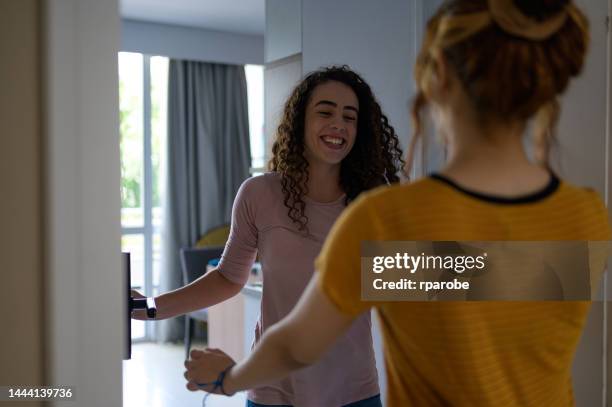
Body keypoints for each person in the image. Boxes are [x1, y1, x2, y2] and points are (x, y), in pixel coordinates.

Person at [184, 1, 611, 406]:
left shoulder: (388, 219)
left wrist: (228, 377)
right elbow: (495, 284)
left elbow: (299, 345)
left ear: (437, 76)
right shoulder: (586, 216)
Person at [134, 65, 405, 407]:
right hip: (272, 390)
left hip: (353, 390)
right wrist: (151, 307)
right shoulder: (258, 195)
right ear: (300, 121)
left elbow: (414, 283)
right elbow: (227, 278)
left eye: (350, 117)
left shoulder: (373, 204)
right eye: (325, 112)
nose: (339, 124)